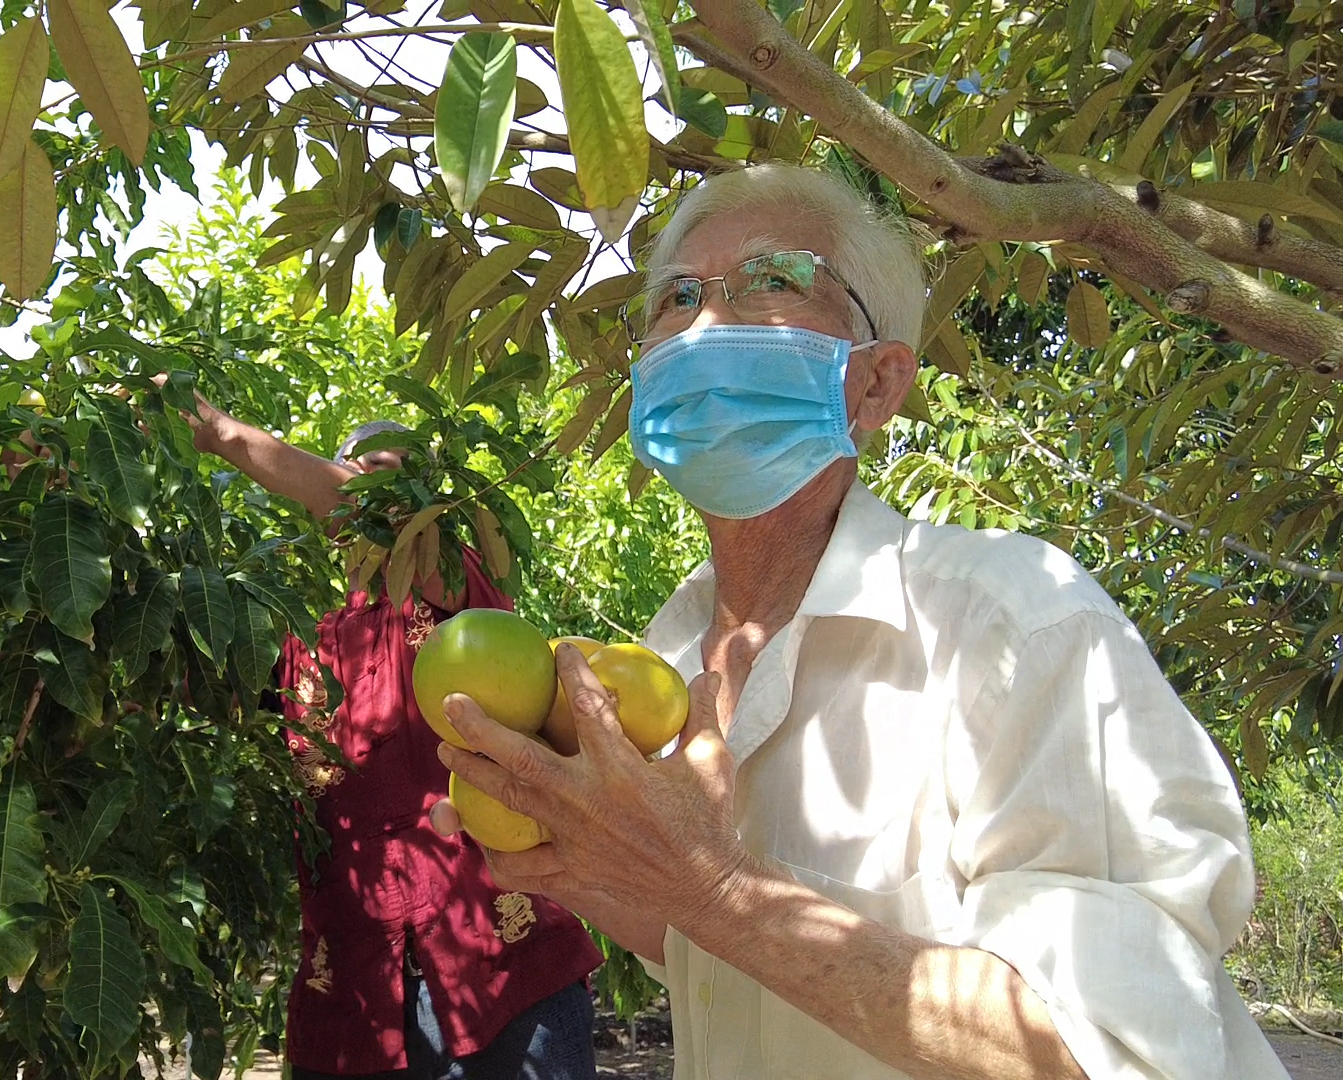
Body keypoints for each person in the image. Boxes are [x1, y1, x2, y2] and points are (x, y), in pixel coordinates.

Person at [429, 164, 1291, 1080]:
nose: (708, 322)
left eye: (772, 280)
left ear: (876, 384)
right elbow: (718, 967)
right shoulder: (661, 660)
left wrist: (716, 889)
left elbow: (1110, 1048)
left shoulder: (1020, 626)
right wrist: (603, 867)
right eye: (678, 296)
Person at [162, 387, 604, 1080]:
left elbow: (392, 528)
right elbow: (180, 677)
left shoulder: (453, 585)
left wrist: (220, 430)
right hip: (353, 996)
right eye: (357, 477)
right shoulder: (299, 625)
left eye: (398, 485)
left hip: (500, 970)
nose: (372, 499)